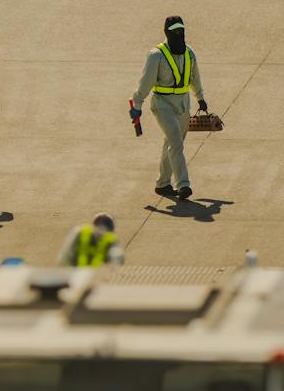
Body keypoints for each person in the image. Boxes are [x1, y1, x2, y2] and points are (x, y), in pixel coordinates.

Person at [131, 15, 208, 201]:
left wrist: (201, 98)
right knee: (175, 142)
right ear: (167, 32)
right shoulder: (156, 55)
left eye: (181, 31)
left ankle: (163, 184)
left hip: (183, 105)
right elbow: (145, 83)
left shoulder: (189, 53)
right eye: (175, 31)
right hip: (162, 105)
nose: (179, 34)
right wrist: (137, 104)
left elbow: (195, 78)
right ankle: (183, 185)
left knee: (171, 143)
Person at [57, 213, 124, 267]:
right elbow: (117, 257)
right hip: (93, 277)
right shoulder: (111, 239)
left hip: (74, 274)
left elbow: (65, 255)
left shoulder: (80, 232)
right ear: (111, 229)